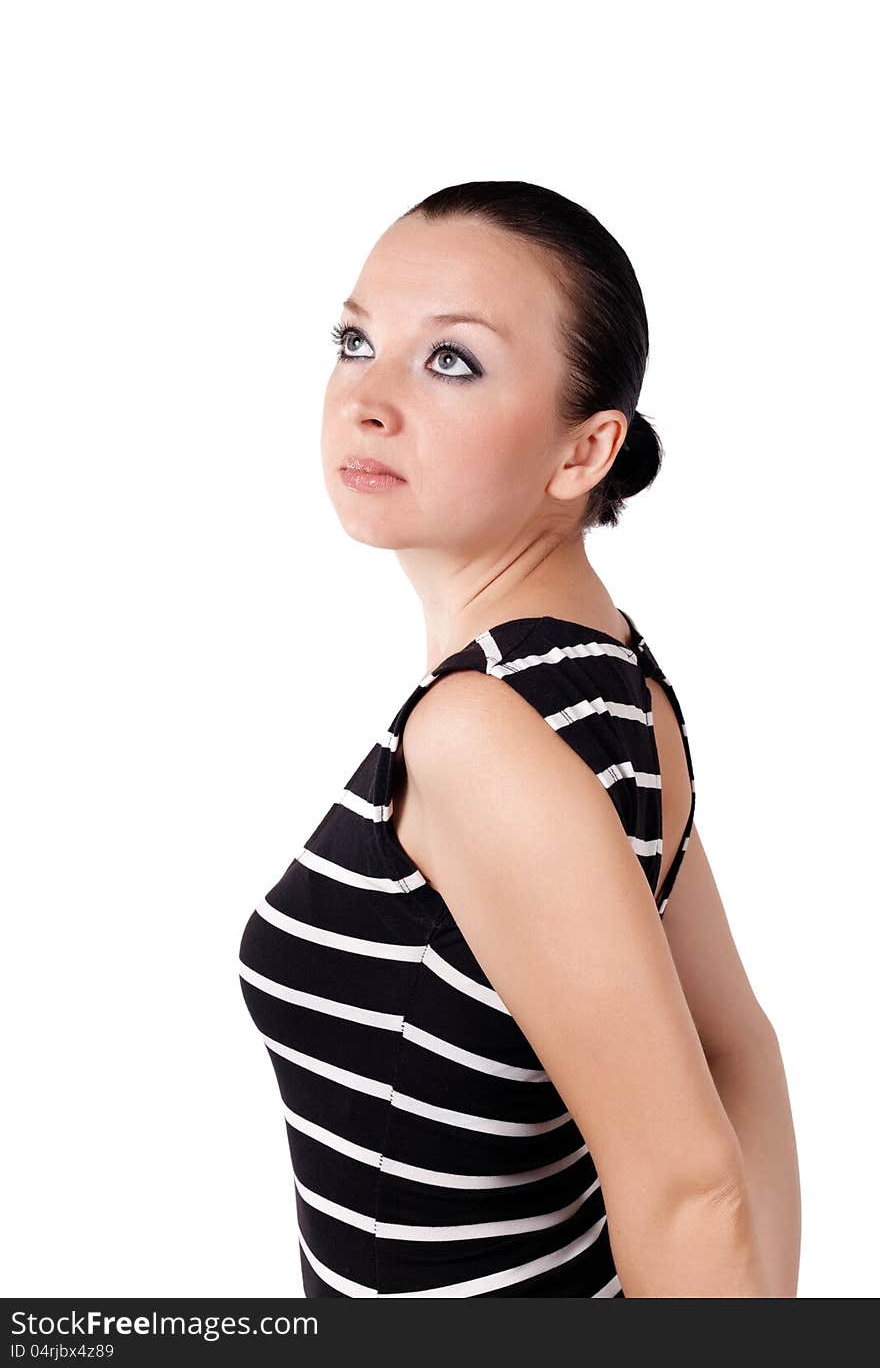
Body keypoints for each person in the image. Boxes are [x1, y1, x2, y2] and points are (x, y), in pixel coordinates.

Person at [238, 180, 800, 1298]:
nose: (366, 398)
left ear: (583, 451)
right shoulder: (612, 684)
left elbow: (687, 1185)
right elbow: (735, 1050)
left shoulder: (481, 735)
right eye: (356, 340)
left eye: (451, 360)